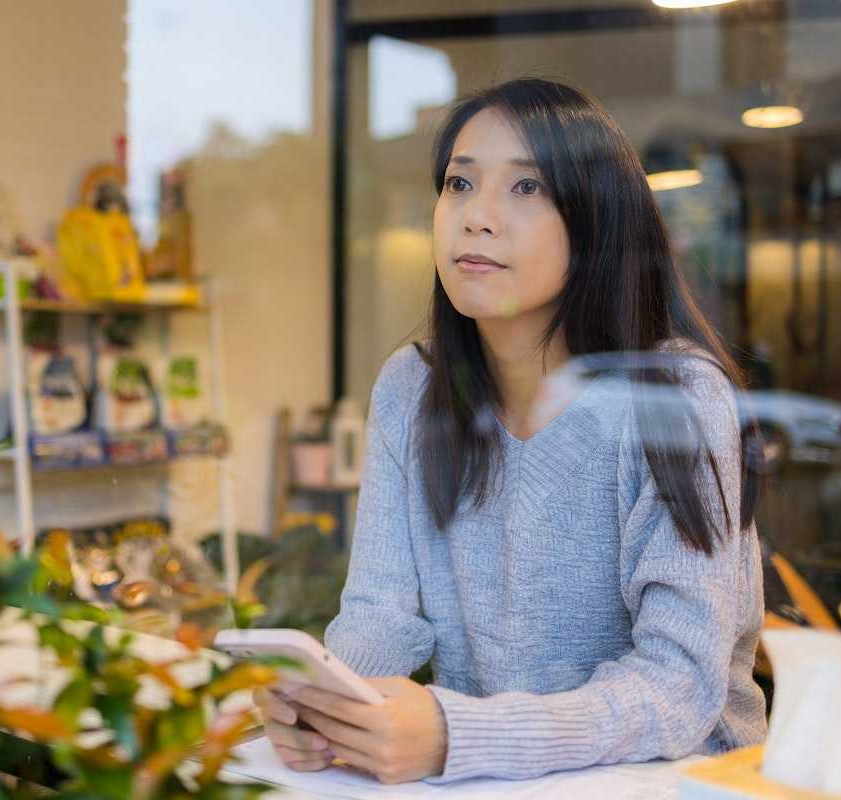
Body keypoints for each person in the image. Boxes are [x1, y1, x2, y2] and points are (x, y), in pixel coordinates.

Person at [253, 77, 767, 784]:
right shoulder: (412, 388)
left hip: (677, 783)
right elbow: (381, 613)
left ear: (595, 220)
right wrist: (325, 698)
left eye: (526, 189)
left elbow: (678, 689)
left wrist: (456, 736)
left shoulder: (676, 398)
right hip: (499, 782)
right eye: (460, 183)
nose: (477, 218)